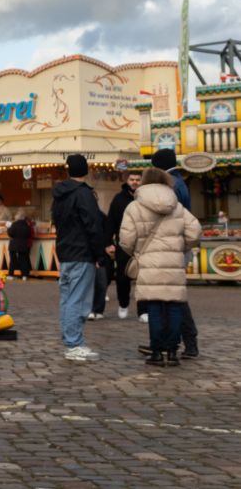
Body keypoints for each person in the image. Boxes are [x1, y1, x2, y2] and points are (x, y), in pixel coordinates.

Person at [119, 167, 202, 367]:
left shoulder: (134, 207)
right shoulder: (177, 206)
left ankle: (157, 351)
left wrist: (137, 252)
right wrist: (180, 247)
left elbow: (125, 239)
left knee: (154, 306)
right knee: (173, 306)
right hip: (173, 264)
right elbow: (195, 232)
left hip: (148, 263)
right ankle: (172, 352)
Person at [52, 153, 106, 361]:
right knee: (78, 300)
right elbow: (93, 225)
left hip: (65, 251)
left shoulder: (59, 194)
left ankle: (71, 340)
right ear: (87, 170)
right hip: (82, 252)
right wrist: (99, 254)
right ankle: (74, 343)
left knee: (67, 299)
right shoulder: (84, 194)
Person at [150, 148, 200, 357]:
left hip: (171, 248)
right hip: (176, 246)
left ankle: (185, 342)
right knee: (172, 296)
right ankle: (172, 341)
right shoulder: (179, 182)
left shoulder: (172, 185)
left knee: (174, 297)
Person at [105, 171, 142, 319]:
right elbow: (110, 222)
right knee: (122, 277)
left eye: (138, 179)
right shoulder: (118, 199)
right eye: (132, 179)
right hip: (123, 244)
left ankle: (143, 310)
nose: (134, 182)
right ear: (127, 180)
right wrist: (108, 242)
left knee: (143, 278)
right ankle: (123, 304)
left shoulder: (146, 199)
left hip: (143, 244)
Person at [7, 210, 34, 280]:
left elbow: (10, 233)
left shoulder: (14, 224)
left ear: (18, 217)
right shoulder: (27, 225)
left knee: (13, 260)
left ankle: (10, 275)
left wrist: (8, 228)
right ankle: (24, 275)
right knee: (23, 260)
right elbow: (29, 234)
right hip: (23, 245)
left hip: (13, 245)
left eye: (16, 215)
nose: (15, 216)